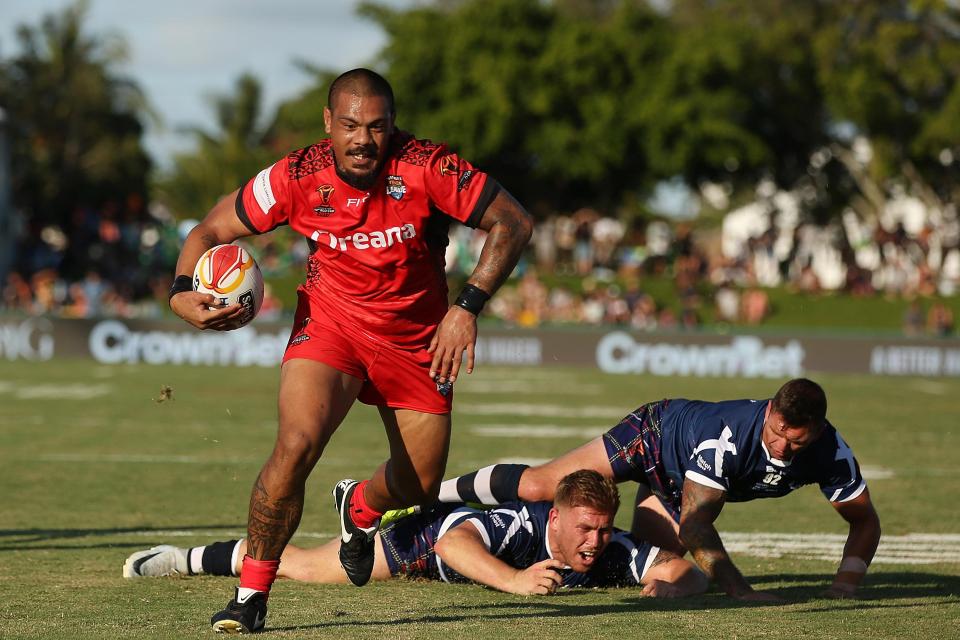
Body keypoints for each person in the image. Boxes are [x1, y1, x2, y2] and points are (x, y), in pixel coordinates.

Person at [167, 68, 533, 633]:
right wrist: (180, 292)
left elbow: (513, 221)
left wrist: (466, 307)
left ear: (393, 127)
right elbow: (209, 231)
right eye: (351, 125)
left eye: (378, 127)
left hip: (419, 340)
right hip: (331, 325)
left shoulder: (428, 166)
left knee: (420, 486)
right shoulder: (295, 174)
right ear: (328, 124)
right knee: (295, 444)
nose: (364, 139)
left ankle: (359, 507)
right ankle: (251, 595)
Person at [436, 378, 881, 602]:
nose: (781, 448)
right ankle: (434, 494)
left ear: (818, 431)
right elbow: (696, 522)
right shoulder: (726, 436)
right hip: (653, 435)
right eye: (776, 433)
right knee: (538, 485)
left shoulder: (831, 452)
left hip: (676, 484)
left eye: (796, 442)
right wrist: (740, 590)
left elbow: (865, 521)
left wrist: (846, 582)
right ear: (769, 411)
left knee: (646, 564)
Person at [124, 471, 707, 599]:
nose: (596, 542)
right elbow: (454, 545)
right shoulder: (519, 523)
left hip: (445, 552)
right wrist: (515, 580)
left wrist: (662, 590)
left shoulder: (610, 546)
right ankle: (186, 557)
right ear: (554, 518)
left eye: (604, 530)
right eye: (586, 528)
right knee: (301, 566)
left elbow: (684, 571)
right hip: (420, 539)